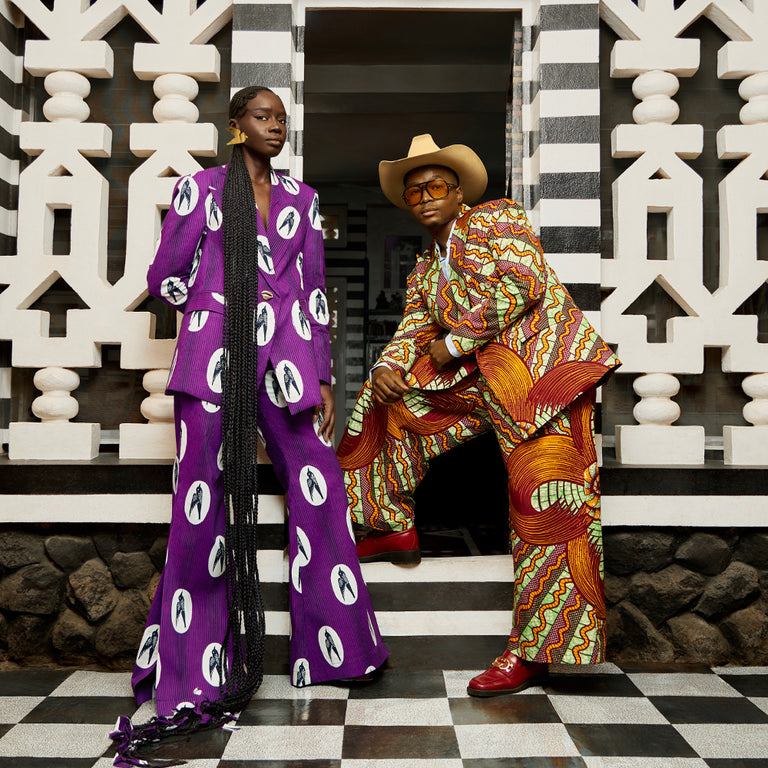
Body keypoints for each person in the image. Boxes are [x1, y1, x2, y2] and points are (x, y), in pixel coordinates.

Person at [112, 86, 387, 766]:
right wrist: (220, 308)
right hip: (213, 361)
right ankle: (191, 668)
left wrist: (322, 374)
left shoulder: (303, 200)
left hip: (290, 357)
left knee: (319, 490)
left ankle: (336, 653)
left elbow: (316, 292)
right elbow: (165, 276)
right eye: (263, 119)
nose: (275, 129)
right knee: (198, 510)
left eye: (282, 120)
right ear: (235, 127)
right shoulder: (199, 190)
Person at [337, 134, 619, 696]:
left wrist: (456, 343)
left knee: (546, 511)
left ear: (459, 190)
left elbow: (525, 283)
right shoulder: (426, 268)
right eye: (413, 192)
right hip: (484, 383)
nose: (424, 197)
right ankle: (390, 525)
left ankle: (537, 650)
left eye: (435, 185)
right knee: (382, 400)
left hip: (544, 383)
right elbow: (413, 330)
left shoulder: (496, 218)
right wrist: (388, 367)